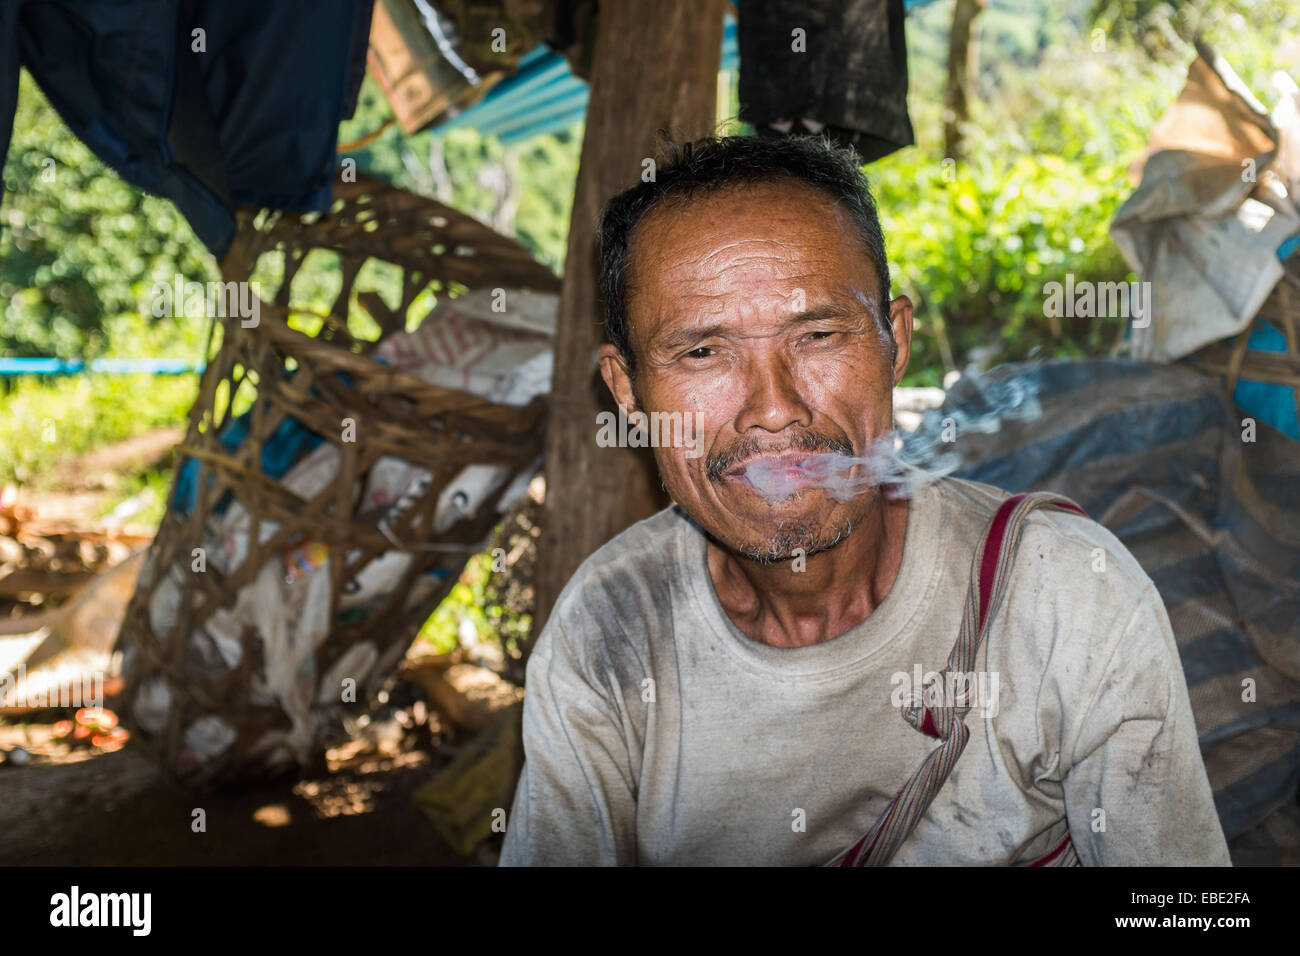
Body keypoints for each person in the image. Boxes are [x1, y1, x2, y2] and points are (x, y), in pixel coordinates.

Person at [499, 135, 1231, 866]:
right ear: (627, 392)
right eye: (702, 353)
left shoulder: (1065, 595)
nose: (775, 409)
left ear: (895, 341)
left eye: (818, 334)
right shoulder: (610, 628)